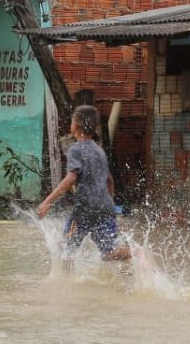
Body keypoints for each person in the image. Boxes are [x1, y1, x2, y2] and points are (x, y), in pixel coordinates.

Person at [37, 105, 131, 261]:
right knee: (109, 254)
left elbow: (71, 177)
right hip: (104, 209)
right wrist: (109, 203)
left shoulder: (75, 150)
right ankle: (134, 252)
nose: (71, 124)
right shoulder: (99, 151)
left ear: (77, 125)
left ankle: (66, 284)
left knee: (66, 252)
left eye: (72, 120)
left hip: (84, 211)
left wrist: (47, 202)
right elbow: (110, 180)